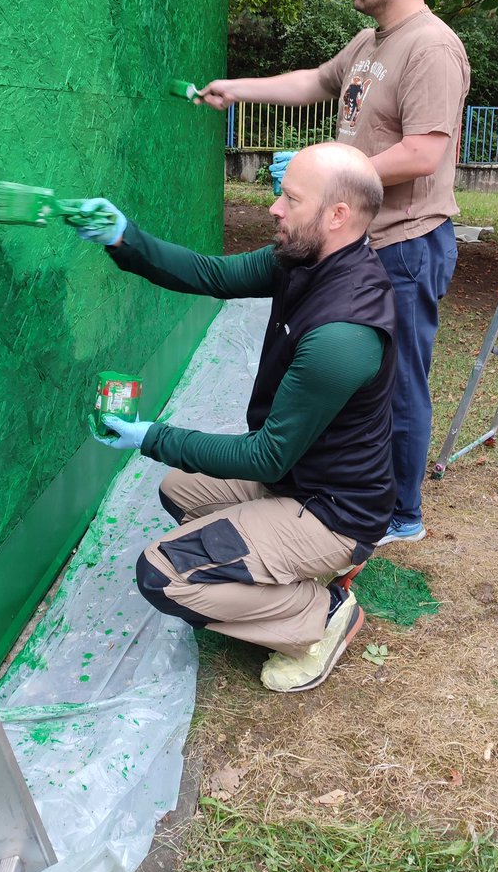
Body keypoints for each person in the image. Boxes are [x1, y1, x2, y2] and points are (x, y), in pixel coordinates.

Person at [74, 144, 397, 693]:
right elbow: (212, 274)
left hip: (334, 511)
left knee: (163, 575)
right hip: (295, 480)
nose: (274, 207)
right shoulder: (304, 259)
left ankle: (321, 614)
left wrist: (152, 436)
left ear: (337, 215)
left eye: (291, 199)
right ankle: (289, 570)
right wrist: (123, 237)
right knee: (179, 490)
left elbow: (265, 455)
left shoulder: (344, 333)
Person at [200, 0, 471, 546]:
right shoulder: (372, 42)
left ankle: (401, 514)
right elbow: (314, 82)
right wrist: (238, 89)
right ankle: (356, 492)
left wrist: (331, 181)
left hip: (407, 243)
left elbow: (424, 153)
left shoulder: (432, 47)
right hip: (365, 241)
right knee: (363, 386)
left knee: (398, 384)